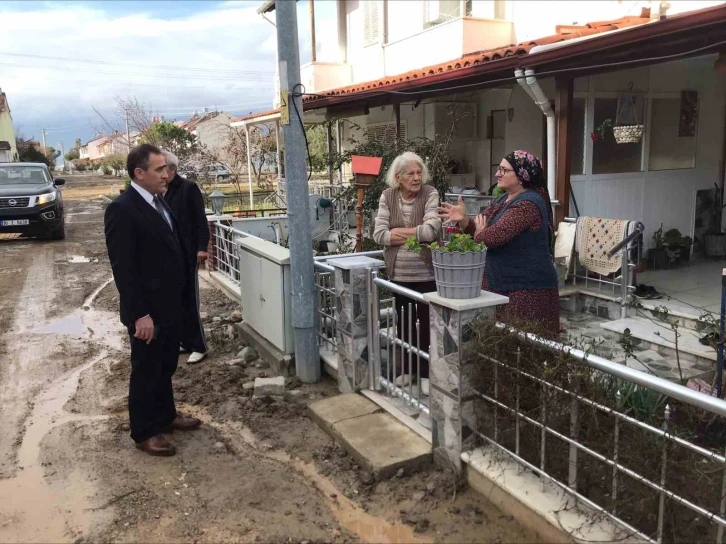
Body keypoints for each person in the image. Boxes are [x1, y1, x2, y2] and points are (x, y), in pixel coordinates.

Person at [104, 144, 201, 457]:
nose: (167, 174)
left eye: (167, 168)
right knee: (146, 370)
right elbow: (125, 269)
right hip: (148, 312)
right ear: (139, 173)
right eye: (159, 170)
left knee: (166, 366)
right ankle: (145, 431)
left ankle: (166, 415)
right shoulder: (122, 208)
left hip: (171, 305)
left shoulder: (159, 201)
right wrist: (140, 314)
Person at [438, 150, 560, 336]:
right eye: (498, 169)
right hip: (504, 287)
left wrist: (481, 232)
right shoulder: (502, 199)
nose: (497, 174)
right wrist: (464, 220)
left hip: (526, 291)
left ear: (521, 176)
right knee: (503, 348)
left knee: (524, 350)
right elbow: (479, 229)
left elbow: (493, 237)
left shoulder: (528, 204)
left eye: (503, 170)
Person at [373, 151, 441, 395]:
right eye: (410, 173)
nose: (416, 177)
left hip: (426, 274)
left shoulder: (430, 193)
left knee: (425, 326)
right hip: (398, 275)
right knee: (404, 325)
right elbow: (379, 234)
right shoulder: (387, 196)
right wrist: (414, 232)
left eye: (419, 172)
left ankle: (424, 372)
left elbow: (431, 231)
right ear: (398, 177)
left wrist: (397, 232)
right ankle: (409, 369)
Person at [162, 151, 210, 365]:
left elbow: (200, 219)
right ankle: (185, 341)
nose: (161, 173)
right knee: (175, 301)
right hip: (170, 256)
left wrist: (202, 247)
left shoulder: (188, 188)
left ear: (173, 169)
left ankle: (199, 346)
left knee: (190, 301)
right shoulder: (161, 190)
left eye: (163, 168)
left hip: (188, 253)